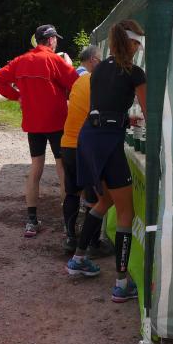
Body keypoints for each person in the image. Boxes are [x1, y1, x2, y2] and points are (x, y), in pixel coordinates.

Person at [67, 19, 147, 304]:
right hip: (108, 143)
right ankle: (121, 284)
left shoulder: (99, 69)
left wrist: (125, 119)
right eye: (137, 43)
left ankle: (78, 259)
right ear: (130, 42)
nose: (138, 48)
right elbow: (150, 112)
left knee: (105, 202)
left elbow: (104, 106)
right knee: (127, 213)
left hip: (88, 138)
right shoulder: (134, 72)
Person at [0, 24, 79, 238]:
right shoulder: (54, 59)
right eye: (56, 39)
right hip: (57, 123)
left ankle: (31, 221)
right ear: (51, 40)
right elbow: (77, 83)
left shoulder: (21, 60)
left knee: (36, 166)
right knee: (62, 168)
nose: (56, 42)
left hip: (33, 124)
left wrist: (17, 96)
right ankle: (68, 224)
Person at [60, 45, 112, 257]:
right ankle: (93, 244)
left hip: (67, 143)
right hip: (85, 146)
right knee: (94, 197)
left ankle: (70, 239)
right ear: (95, 60)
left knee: (72, 192)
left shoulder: (79, 81)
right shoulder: (97, 81)